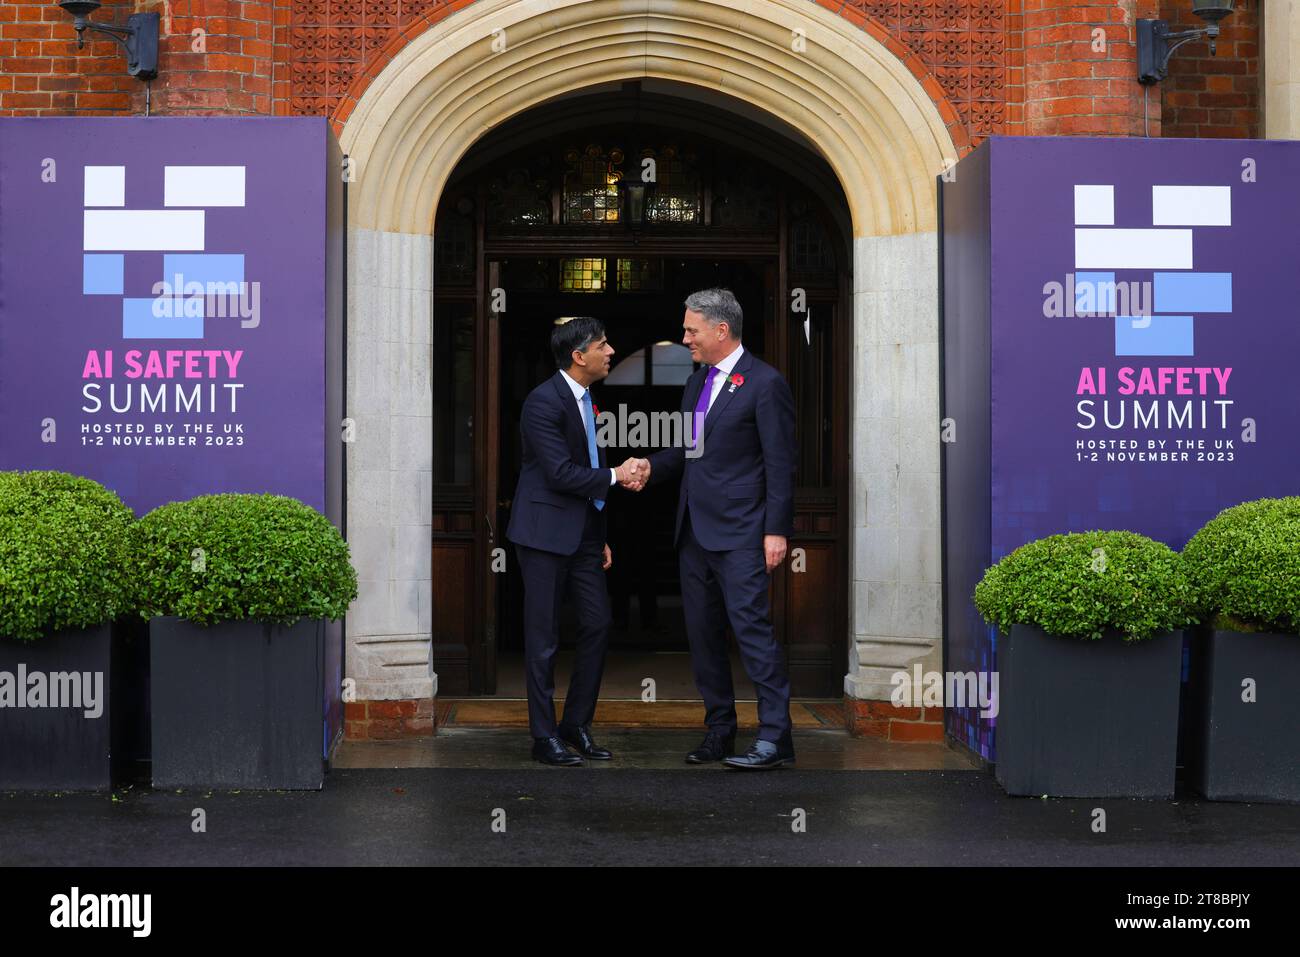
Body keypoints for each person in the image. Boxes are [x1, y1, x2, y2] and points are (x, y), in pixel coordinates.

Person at [630, 288, 798, 769]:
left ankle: (774, 736)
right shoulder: (697, 382)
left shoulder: (765, 383)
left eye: (691, 330)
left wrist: (776, 531)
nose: (685, 338)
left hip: (745, 534)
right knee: (703, 637)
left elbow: (780, 463)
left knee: (752, 634)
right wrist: (649, 466)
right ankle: (719, 732)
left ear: (721, 330)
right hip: (694, 534)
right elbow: (686, 450)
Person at [505, 316, 646, 766]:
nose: (611, 351)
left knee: (597, 625)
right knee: (543, 637)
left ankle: (575, 725)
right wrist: (616, 475)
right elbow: (562, 473)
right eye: (603, 345)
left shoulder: (589, 400)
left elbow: (585, 461)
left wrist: (598, 534)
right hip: (544, 537)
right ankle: (543, 736)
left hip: (584, 537)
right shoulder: (542, 402)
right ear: (578, 355)